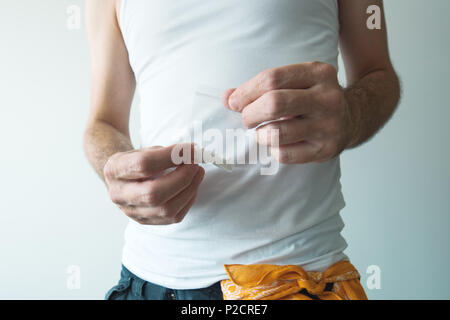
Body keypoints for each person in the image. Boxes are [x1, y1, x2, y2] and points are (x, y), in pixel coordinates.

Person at [84, 0, 400, 300]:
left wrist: (350, 115)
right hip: (145, 278)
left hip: (294, 276)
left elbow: (378, 74)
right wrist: (116, 166)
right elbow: (103, 122)